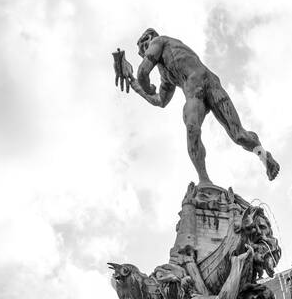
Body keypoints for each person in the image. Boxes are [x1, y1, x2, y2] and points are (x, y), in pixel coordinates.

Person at [115, 29, 280, 186]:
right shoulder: (166, 76)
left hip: (210, 83)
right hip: (194, 94)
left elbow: (143, 72)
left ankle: (264, 156)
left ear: (151, 37)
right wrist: (133, 82)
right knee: (192, 128)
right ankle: (204, 179)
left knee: (239, 136)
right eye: (141, 51)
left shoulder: (160, 41)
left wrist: (142, 83)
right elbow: (160, 101)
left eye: (145, 44)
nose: (144, 51)